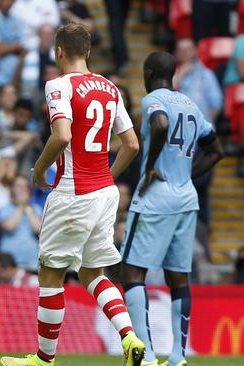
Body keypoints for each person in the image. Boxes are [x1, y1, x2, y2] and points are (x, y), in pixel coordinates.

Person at [0, 23, 143, 366]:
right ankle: (130, 338)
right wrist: (107, 175)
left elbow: (62, 135)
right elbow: (132, 144)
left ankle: (43, 359)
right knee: (94, 273)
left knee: (50, 273)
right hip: (104, 192)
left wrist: (38, 168)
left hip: (72, 192)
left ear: (58, 52)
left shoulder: (58, 85)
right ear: (89, 52)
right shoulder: (110, 88)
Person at [121, 51, 224, 366]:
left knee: (132, 272)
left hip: (155, 199)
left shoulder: (154, 99)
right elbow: (216, 150)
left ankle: (147, 356)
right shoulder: (192, 104)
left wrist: (150, 166)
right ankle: (178, 357)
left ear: (149, 73)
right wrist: (185, 176)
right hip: (186, 199)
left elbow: (161, 123)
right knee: (178, 278)